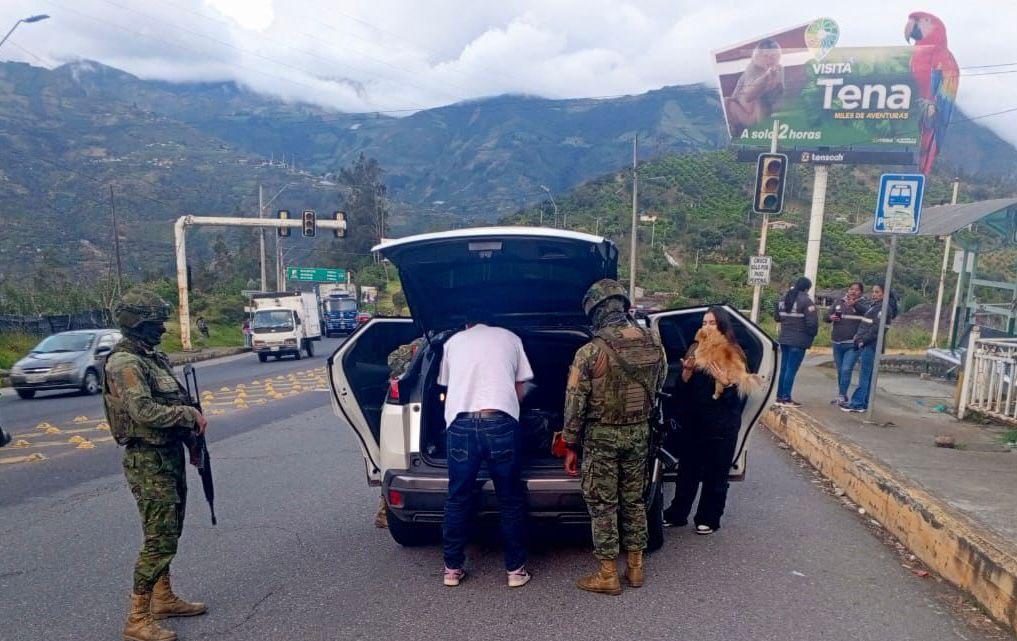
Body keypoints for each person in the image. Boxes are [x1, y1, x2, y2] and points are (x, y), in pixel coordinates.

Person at [103, 288, 209, 641]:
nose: (162, 329)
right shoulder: (125, 364)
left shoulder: (152, 358)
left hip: (169, 454)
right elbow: (143, 412)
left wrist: (192, 437)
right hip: (148, 459)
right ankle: (136, 618)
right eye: (155, 323)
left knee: (171, 531)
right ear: (136, 324)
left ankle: (162, 598)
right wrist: (187, 414)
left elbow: (174, 398)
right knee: (159, 539)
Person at [563, 279, 666, 595]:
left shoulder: (590, 352)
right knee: (633, 500)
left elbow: (574, 402)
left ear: (595, 311)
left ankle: (608, 574)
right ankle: (635, 568)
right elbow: (659, 385)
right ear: (622, 305)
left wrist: (569, 443)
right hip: (638, 435)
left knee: (604, 505)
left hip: (602, 437)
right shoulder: (653, 343)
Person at [438, 311, 533, 588]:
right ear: (494, 320)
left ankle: (452, 570)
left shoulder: (453, 342)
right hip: (500, 423)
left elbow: (445, 386)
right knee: (509, 498)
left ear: (468, 322)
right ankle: (515, 571)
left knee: (458, 497)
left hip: (461, 426)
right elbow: (520, 388)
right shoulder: (511, 338)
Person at [664, 307, 749, 534]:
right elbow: (682, 392)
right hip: (695, 422)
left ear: (722, 326)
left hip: (721, 425)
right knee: (687, 473)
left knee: (716, 475)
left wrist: (727, 383)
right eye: (705, 322)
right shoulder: (694, 349)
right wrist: (686, 374)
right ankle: (677, 513)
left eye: (712, 323)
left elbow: (741, 398)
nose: (707, 327)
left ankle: (708, 519)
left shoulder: (733, 353)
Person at [374, 336, 426, 529]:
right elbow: (392, 360)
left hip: (411, 402)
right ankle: (384, 512)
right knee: (394, 462)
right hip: (409, 401)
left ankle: (384, 511)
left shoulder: (427, 343)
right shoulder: (420, 344)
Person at [841, 285, 898, 413]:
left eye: (877, 292)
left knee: (865, 376)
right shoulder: (876, 306)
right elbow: (867, 321)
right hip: (869, 344)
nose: (874, 294)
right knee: (868, 375)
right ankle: (864, 402)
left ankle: (857, 403)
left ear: (884, 294)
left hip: (871, 345)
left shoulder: (883, 309)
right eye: (873, 291)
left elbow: (876, 329)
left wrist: (862, 340)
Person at [725, 38, 785, 136]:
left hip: (761, 115)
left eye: (774, 55)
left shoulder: (778, 69)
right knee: (727, 101)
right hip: (743, 113)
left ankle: (765, 131)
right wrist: (765, 78)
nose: (771, 59)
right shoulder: (753, 68)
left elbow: (779, 95)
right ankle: (761, 131)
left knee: (764, 97)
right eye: (766, 56)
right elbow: (748, 96)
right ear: (756, 57)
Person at [773, 276, 819, 407]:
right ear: (806, 288)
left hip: (784, 338)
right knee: (791, 370)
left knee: (784, 368)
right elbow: (812, 323)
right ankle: (786, 398)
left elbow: (777, 318)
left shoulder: (783, 299)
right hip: (798, 341)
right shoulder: (806, 301)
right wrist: (811, 335)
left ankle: (779, 396)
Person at [826, 282, 868, 405]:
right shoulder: (839, 302)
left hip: (852, 344)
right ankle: (842, 395)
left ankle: (842, 396)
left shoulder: (864, 303)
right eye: (851, 289)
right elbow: (826, 316)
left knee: (846, 369)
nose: (853, 291)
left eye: (856, 290)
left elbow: (867, 313)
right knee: (840, 370)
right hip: (837, 342)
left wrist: (855, 304)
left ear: (861, 292)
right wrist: (831, 317)